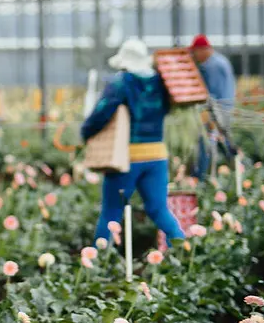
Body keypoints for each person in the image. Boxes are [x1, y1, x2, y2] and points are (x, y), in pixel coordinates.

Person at [81, 38, 185, 245]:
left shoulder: (122, 83)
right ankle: (184, 247)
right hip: (157, 156)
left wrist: (86, 132)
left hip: (126, 157)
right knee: (159, 209)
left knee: (111, 212)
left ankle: (98, 262)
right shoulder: (161, 83)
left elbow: (101, 113)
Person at [189, 34, 237, 179]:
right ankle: (235, 167)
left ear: (203, 49)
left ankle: (202, 177)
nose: (194, 56)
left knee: (206, 142)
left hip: (216, 110)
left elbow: (211, 94)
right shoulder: (221, 60)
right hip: (227, 107)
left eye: (195, 52)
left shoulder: (210, 66)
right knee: (224, 140)